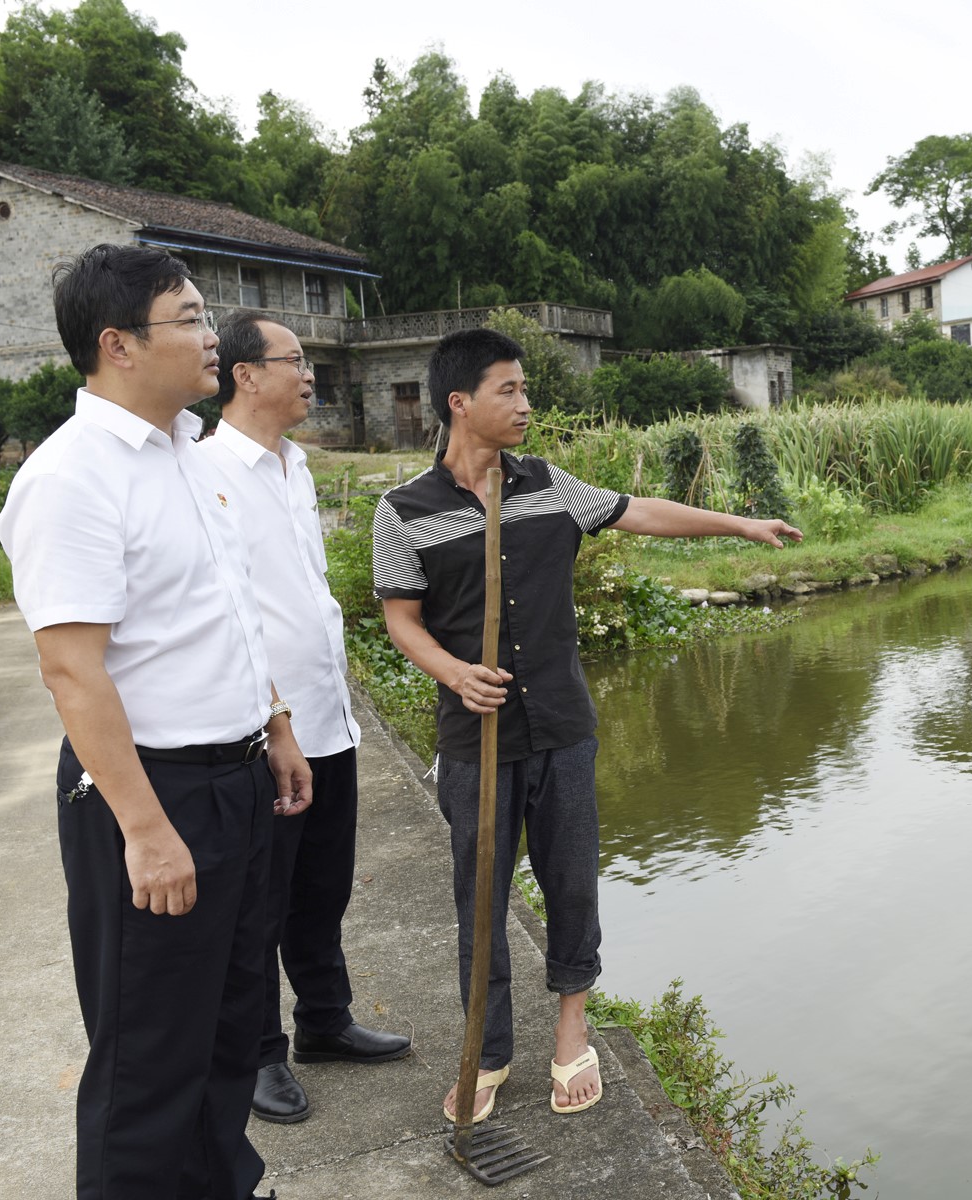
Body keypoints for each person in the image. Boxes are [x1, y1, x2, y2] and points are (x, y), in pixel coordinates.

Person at [372, 328, 801, 1122]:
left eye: (525, 388)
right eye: (510, 390)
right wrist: (454, 673)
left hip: (562, 726)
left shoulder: (546, 485)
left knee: (572, 881)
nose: (526, 404)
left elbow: (639, 512)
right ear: (461, 402)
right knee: (480, 895)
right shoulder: (403, 511)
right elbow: (403, 620)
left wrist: (739, 526)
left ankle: (572, 1030)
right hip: (477, 741)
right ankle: (488, 1051)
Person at [0, 244, 312, 1200]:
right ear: (117, 345)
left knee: (228, 1021)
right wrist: (145, 831)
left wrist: (275, 726)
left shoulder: (188, 455)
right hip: (151, 792)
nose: (213, 335)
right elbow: (72, 669)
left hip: (236, 780)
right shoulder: (72, 478)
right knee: (149, 1053)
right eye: (189, 318)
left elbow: (223, 615)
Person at [196, 312, 412, 1126]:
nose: (310, 374)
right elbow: (231, 612)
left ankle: (323, 1021)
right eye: (295, 361)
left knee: (323, 890)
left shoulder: (296, 467)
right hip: (265, 730)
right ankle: (257, 1057)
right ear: (247, 373)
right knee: (260, 902)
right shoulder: (208, 470)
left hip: (328, 720)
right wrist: (273, 714)